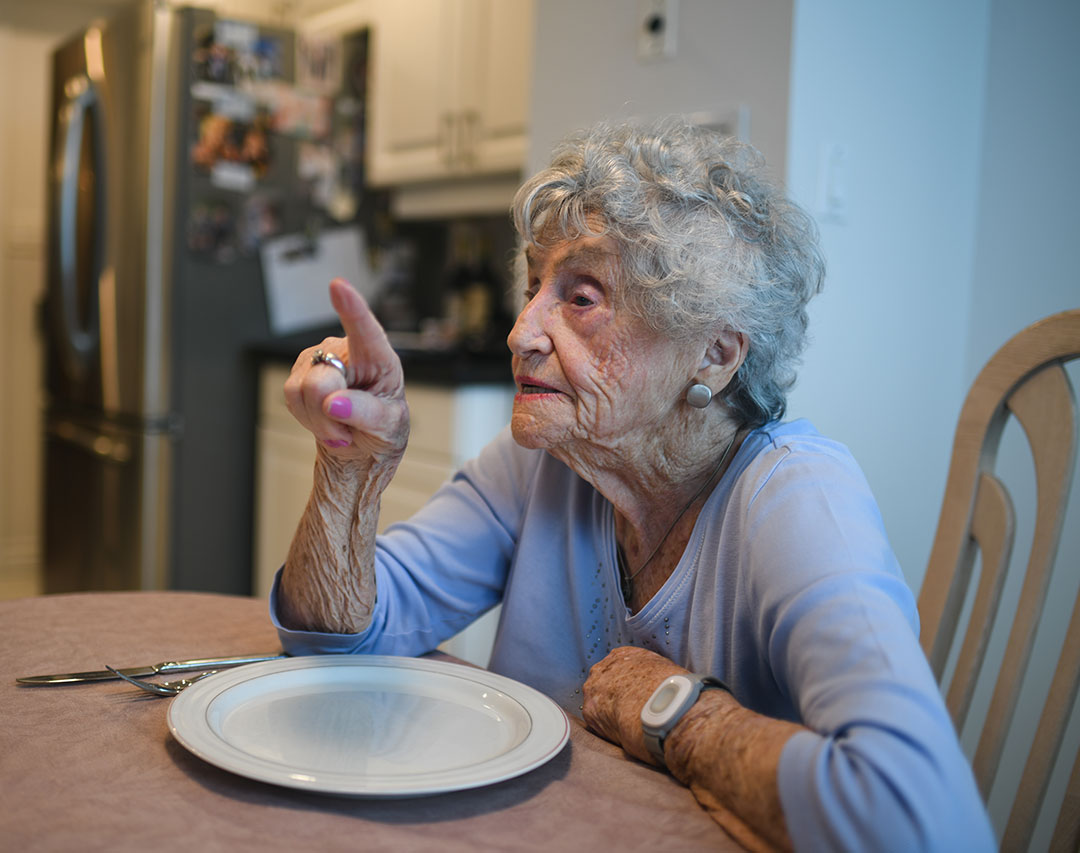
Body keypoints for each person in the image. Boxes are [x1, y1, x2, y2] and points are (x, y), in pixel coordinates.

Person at [270, 118, 994, 852]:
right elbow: (338, 641)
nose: (522, 330)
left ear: (713, 355)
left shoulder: (798, 497)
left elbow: (919, 821)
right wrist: (349, 473)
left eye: (580, 296)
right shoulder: (545, 461)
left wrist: (681, 713)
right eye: (532, 288)